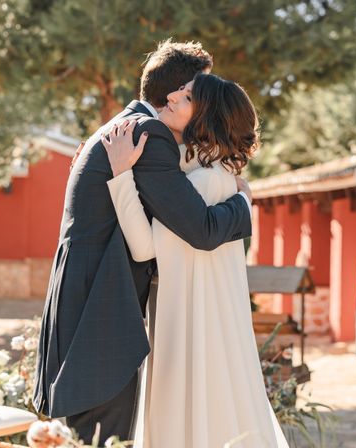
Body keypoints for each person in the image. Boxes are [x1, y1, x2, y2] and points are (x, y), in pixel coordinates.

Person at [32, 41, 254, 444]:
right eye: (196, 91)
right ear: (177, 93)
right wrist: (244, 204)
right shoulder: (147, 134)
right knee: (103, 433)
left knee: (97, 431)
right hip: (101, 307)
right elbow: (200, 229)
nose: (198, 101)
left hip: (89, 296)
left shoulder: (130, 128)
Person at [103, 73, 289, 447]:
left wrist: (120, 174)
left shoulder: (203, 184)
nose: (171, 97)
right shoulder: (220, 178)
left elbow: (144, 248)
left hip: (187, 325)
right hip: (202, 322)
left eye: (185, 96)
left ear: (205, 117)